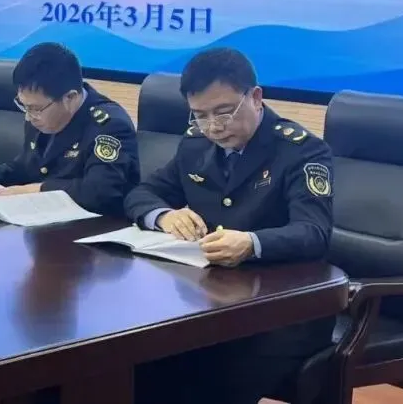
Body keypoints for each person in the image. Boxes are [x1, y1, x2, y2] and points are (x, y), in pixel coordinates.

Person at [125, 47, 335, 404]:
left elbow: (314, 232)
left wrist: (251, 243)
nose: (213, 127)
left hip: (283, 311)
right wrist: (163, 215)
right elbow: (141, 194)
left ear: (255, 97)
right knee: (138, 360)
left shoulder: (301, 151)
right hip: (209, 301)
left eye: (223, 112)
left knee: (203, 377)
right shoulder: (196, 145)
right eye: (200, 115)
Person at [0, 42, 139, 217]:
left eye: (35, 108)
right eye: (24, 105)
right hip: (44, 224)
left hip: (96, 231)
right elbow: (26, 169)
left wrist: (38, 189)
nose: (28, 116)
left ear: (70, 97)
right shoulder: (40, 114)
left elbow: (101, 192)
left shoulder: (110, 126)